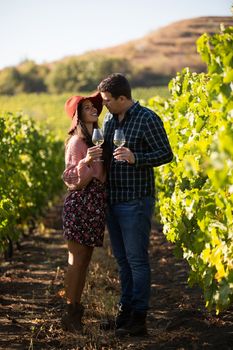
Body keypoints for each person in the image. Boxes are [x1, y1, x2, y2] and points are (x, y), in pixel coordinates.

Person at [97, 73, 173, 337]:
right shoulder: (108, 119)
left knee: (137, 261)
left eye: (107, 100)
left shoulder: (147, 118)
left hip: (135, 200)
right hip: (113, 200)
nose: (103, 104)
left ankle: (139, 320)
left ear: (122, 98)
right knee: (122, 261)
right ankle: (124, 314)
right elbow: (107, 154)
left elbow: (166, 154)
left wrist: (135, 157)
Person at [61, 92, 106, 332]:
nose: (93, 109)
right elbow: (70, 179)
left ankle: (75, 310)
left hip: (95, 204)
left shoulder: (97, 139)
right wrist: (86, 161)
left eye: (94, 106)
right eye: (87, 107)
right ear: (78, 114)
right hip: (81, 204)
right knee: (77, 261)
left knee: (84, 261)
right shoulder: (77, 142)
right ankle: (70, 312)